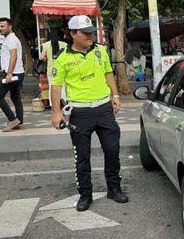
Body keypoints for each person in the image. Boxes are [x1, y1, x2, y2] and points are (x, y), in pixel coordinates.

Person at [51, 15, 128, 212]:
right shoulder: (62, 58)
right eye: (85, 33)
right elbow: (56, 87)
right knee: (82, 157)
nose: (90, 36)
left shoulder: (100, 50)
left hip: (104, 109)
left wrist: (115, 95)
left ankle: (114, 188)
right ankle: (85, 194)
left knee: (112, 150)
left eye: (91, 33)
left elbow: (108, 73)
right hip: (79, 113)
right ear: (72, 34)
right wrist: (56, 113)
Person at [0, 17, 25, 131]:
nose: (0, 28)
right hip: (19, 72)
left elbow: (13, 56)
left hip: (12, 73)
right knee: (15, 98)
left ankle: (12, 120)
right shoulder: (12, 38)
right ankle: (20, 122)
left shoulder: (11, 39)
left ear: (10, 27)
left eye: (3, 26)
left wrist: (9, 73)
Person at [40, 33, 67, 107]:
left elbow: (42, 57)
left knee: (52, 87)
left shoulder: (46, 45)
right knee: (63, 88)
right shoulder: (64, 44)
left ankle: (53, 105)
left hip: (51, 70)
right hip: (62, 69)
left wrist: (47, 58)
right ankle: (64, 104)